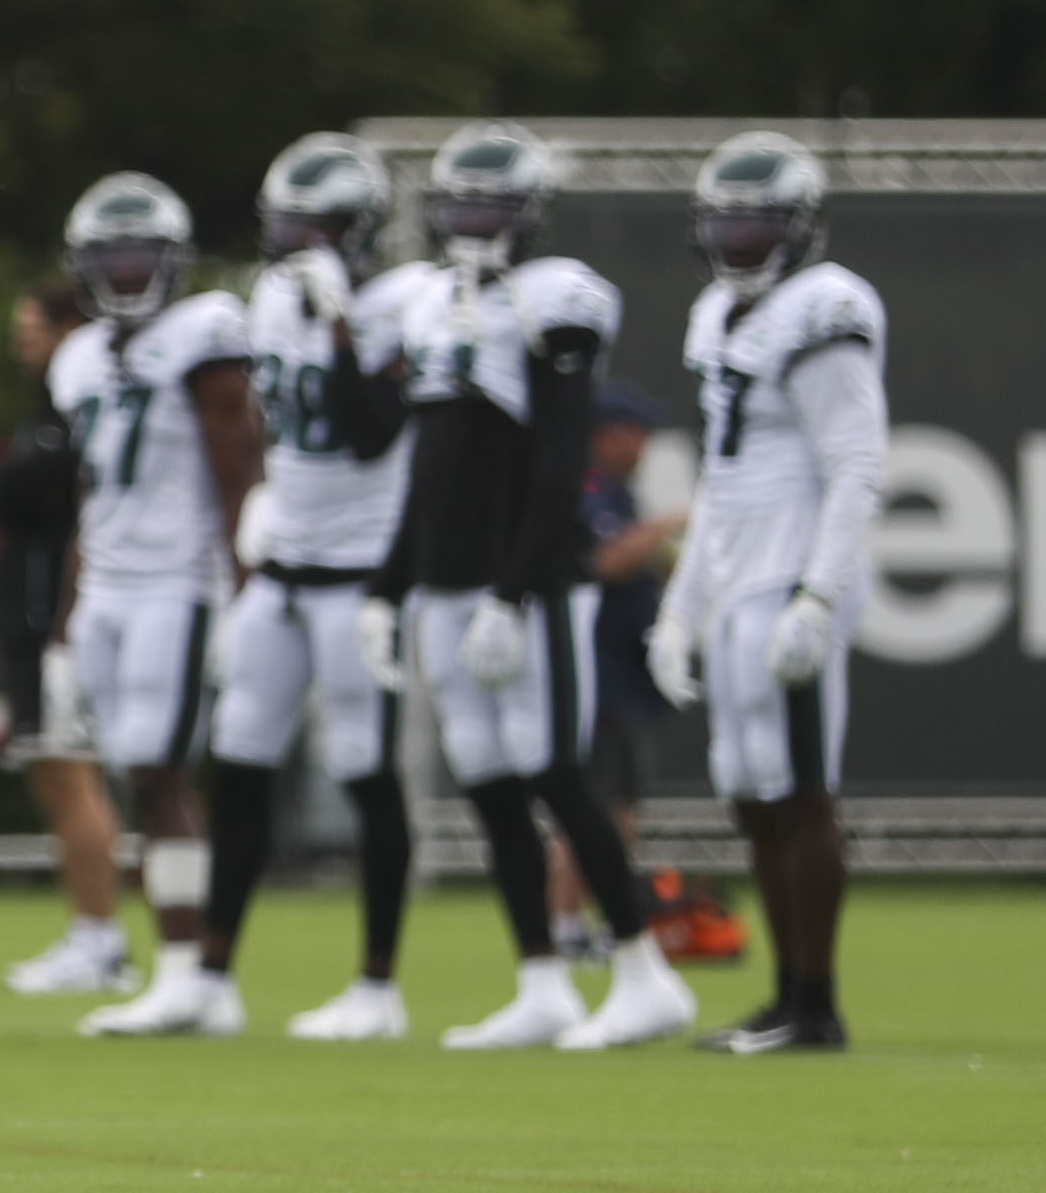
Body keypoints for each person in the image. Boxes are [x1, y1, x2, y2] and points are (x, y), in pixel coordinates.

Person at [356, 122, 697, 1050]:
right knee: (490, 785)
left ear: (528, 215)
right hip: (444, 582)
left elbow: (558, 468)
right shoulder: (424, 305)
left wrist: (513, 591)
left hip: (529, 585)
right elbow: (422, 467)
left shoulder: (555, 300)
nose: (471, 222)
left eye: (490, 205)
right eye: (458, 203)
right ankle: (541, 979)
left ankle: (641, 972)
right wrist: (389, 591)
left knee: (557, 774)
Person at [174, 133, 430, 1041]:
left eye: (312, 226)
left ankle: (378, 985)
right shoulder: (270, 296)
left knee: (365, 773)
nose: (294, 244)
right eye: (286, 226)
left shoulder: (407, 299)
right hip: (281, 570)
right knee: (238, 764)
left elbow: (370, 432)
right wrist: (255, 511)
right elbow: (266, 425)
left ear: (356, 231)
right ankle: (210, 974)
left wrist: (343, 327)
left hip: (359, 577)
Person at [650, 132, 885, 1053]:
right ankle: (783, 998)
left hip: (791, 574)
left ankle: (815, 1005)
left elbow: (857, 462)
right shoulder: (715, 315)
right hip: (740, 576)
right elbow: (720, 478)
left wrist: (818, 596)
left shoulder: (825, 307)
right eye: (725, 221)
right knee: (749, 790)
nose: (738, 239)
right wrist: (682, 608)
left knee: (801, 790)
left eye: (757, 222)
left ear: (799, 227)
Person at [49, 173, 267, 1040]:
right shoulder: (76, 354)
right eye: (110, 254)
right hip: (106, 581)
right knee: (137, 773)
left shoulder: (204, 333)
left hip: (180, 581)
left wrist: (244, 582)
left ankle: (192, 973)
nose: (127, 269)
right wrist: (66, 617)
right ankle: (189, 971)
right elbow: (88, 489)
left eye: (141, 253)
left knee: (157, 770)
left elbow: (238, 460)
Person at [0, 279, 137, 998]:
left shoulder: (82, 415)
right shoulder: (48, 412)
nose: (24, 348)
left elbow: (20, 492)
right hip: (29, 618)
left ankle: (100, 937)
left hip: (58, 621)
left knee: (71, 769)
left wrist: (59, 631)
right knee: (52, 775)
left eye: (32, 332)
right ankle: (92, 933)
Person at [544, 381, 687, 965]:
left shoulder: (620, 494)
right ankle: (567, 925)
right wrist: (668, 527)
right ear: (608, 434)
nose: (646, 443)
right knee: (590, 807)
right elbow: (601, 563)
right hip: (594, 671)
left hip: (623, 671)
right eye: (638, 431)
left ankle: (604, 923)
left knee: (620, 806)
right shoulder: (590, 487)